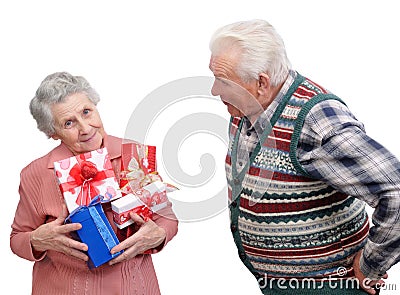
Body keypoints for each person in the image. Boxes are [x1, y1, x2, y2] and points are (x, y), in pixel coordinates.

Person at [209, 19, 400, 294]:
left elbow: (396, 190)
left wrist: (372, 264)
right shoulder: (244, 106)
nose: (214, 90)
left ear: (261, 82)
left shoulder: (316, 121)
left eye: (223, 81)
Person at [10, 72, 178, 295]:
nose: (86, 128)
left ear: (96, 106)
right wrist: (37, 240)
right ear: (53, 133)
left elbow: (166, 217)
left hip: (133, 287)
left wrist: (160, 235)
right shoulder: (37, 174)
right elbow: (18, 238)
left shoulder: (134, 154)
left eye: (86, 112)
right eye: (69, 123)